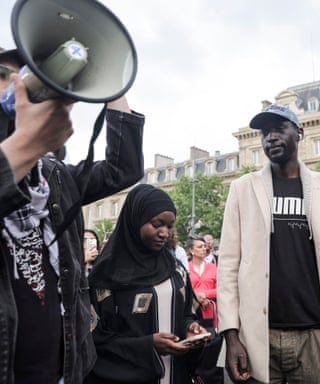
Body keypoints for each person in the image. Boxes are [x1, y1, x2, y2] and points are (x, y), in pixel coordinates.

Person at [0, 47, 144, 384]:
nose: (20, 84)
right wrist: (25, 145)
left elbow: (123, 168)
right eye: (4, 75)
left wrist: (112, 83)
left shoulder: (56, 176)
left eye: (27, 76)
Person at [217, 104, 320, 383]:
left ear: (300, 133)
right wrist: (231, 335)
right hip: (256, 335)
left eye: (279, 129)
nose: (271, 137)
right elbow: (228, 266)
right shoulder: (242, 188)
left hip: (317, 335)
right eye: (265, 132)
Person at [87, 184, 210, 384]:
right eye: (157, 224)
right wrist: (147, 345)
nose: (164, 233)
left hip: (175, 376)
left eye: (170, 226)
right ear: (135, 222)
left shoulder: (175, 269)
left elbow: (187, 311)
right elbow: (95, 340)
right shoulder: (106, 276)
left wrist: (191, 328)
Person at [187, 235, 224, 384]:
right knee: (194, 346)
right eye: (199, 247)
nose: (204, 249)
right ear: (191, 250)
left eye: (204, 247)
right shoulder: (186, 268)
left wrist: (206, 294)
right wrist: (196, 297)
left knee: (211, 348)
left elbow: (221, 288)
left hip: (210, 314)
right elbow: (184, 289)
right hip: (192, 313)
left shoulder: (213, 268)